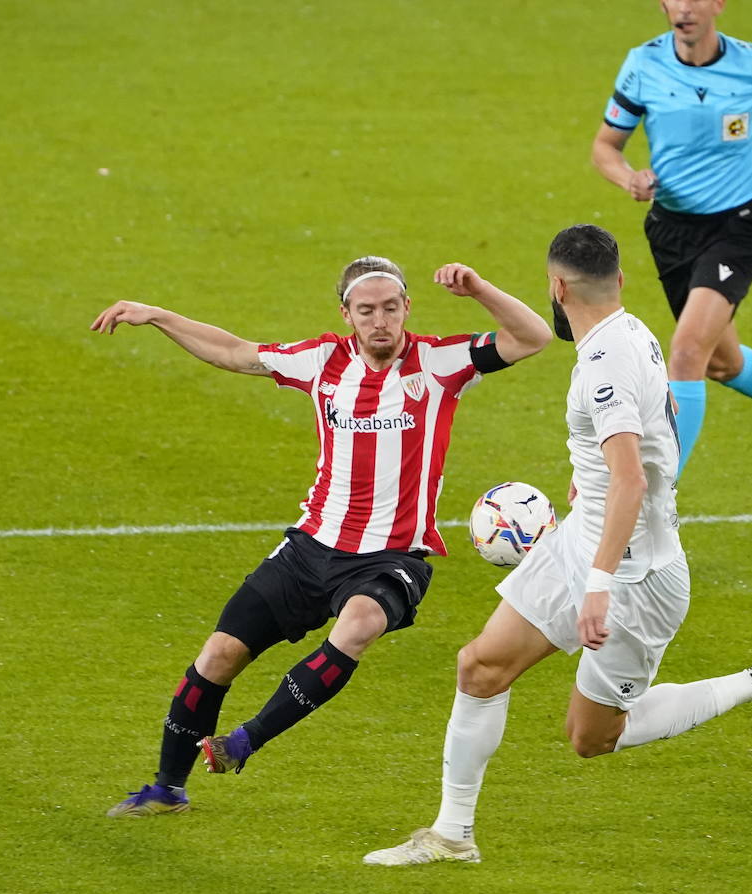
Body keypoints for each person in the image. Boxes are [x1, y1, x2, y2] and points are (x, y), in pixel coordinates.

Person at [362, 224, 752, 866]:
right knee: (480, 667)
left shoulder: (604, 363)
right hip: (585, 539)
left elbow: (631, 477)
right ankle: (452, 834)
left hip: (637, 577)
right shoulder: (628, 331)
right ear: (620, 282)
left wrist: (599, 586)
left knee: (591, 737)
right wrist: (480, 290)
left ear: (556, 286)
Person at [92, 256, 552, 816]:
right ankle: (167, 788)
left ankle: (245, 741)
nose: (379, 320)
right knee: (217, 656)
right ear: (347, 314)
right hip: (310, 547)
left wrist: (479, 289)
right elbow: (237, 352)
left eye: (390, 308)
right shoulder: (321, 361)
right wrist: (160, 316)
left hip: (391, 557)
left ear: (407, 307)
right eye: (366, 311)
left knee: (357, 625)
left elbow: (533, 336)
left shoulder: (439, 361)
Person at [591, 0, 752, 490]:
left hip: (737, 228)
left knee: (685, 353)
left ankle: (657, 493)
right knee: (722, 362)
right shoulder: (643, 65)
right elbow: (605, 146)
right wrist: (629, 179)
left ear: (718, 4)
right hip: (672, 231)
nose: (684, 9)